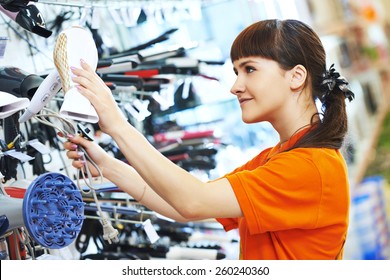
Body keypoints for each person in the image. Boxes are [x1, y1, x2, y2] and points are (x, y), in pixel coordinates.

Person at [64, 19, 355, 260]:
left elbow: (193, 202)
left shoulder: (311, 168)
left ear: (296, 76)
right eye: (236, 72)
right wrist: (108, 165)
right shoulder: (278, 157)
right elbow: (181, 205)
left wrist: (116, 123)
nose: (235, 87)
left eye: (249, 69)